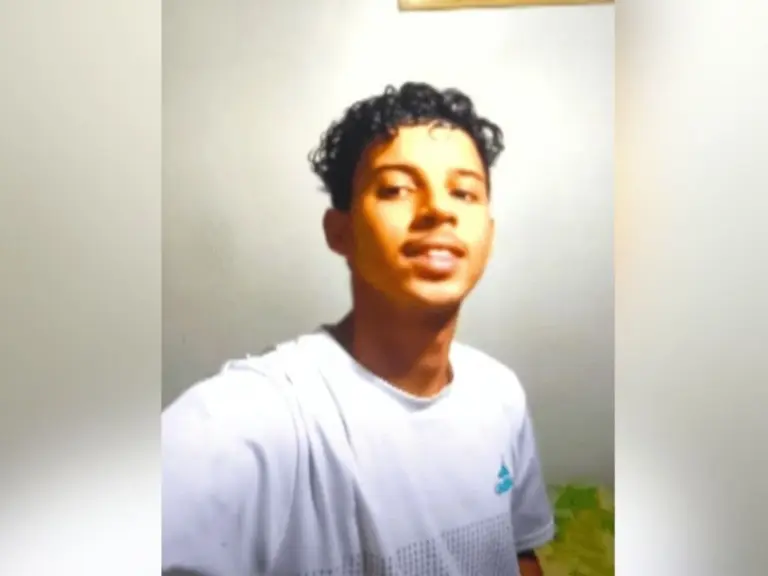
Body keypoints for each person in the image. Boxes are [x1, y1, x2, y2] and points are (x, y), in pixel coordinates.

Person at [162, 82, 554, 576]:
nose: (439, 210)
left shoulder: (500, 393)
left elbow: (518, 553)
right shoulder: (260, 417)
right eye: (396, 189)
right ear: (339, 231)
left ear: (489, 237)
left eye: (464, 192)